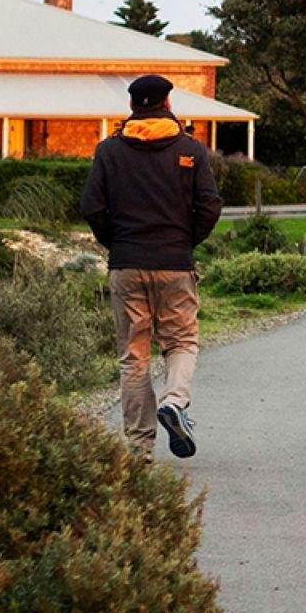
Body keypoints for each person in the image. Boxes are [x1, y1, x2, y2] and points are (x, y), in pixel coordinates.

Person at [80, 74, 223, 461]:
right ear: (168, 103)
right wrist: (184, 241)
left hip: (127, 264)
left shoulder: (109, 151)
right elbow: (210, 206)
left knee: (134, 354)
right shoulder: (190, 148)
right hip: (174, 264)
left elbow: (91, 207)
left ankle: (140, 447)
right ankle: (174, 402)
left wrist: (117, 242)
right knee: (180, 342)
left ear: (131, 108)